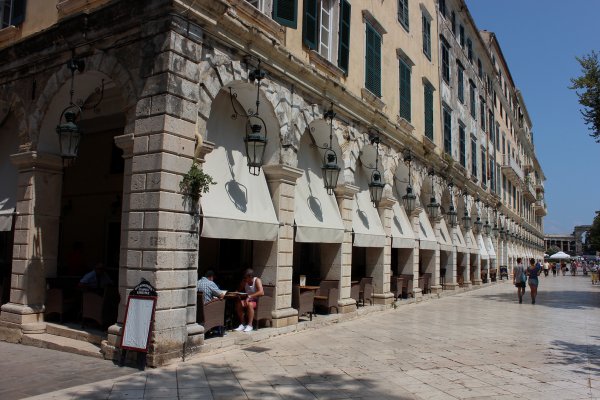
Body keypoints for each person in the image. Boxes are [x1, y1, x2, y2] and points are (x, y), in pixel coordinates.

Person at [234, 268, 264, 333]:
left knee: (250, 304)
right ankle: (243, 324)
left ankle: (250, 325)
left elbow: (261, 292)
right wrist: (236, 292)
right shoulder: (245, 282)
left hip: (257, 301)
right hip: (248, 300)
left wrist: (250, 296)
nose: (244, 279)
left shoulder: (257, 280)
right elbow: (239, 289)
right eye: (244, 277)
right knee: (238, 303)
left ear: (250, 277)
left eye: (245, 277)